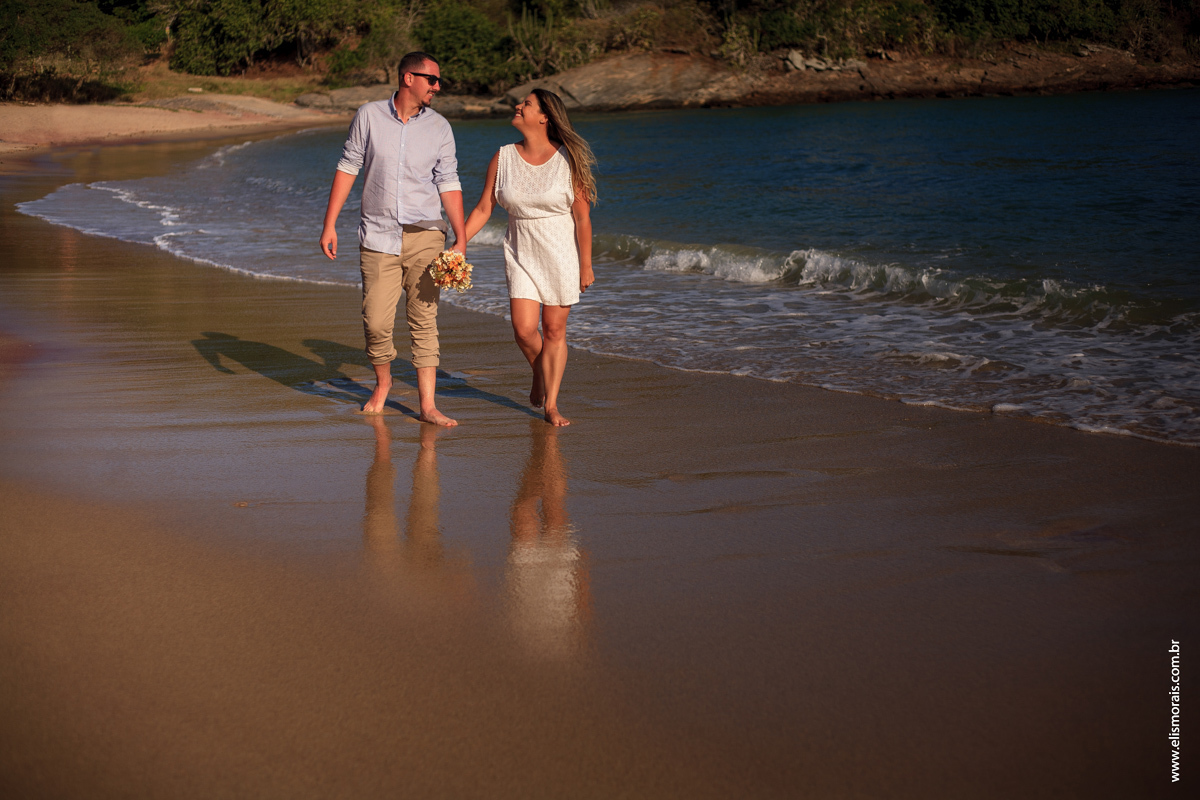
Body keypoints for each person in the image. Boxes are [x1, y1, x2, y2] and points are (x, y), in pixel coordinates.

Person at [319, 52, 464, 426]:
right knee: (376, 321)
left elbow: (448, 182)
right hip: (378, 235)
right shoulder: (368, 116)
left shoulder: (440, 128)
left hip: (427, 234)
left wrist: (460, 238)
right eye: (431, 79)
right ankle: (383, 383)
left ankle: (427, 405)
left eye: (438, 80)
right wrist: (329, 223)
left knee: (424, 319)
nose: (437, 86)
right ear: (407, 78)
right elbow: (349, 165)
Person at [463, 89, 596, 426]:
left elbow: (582, 218)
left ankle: (551, 405)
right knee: (523, 330)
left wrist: (586, 264)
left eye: (527, 104)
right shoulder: (503, 156)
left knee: (553, 330)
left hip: (560, 251)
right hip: (520, 249)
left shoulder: (568, 159)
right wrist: (459, 243)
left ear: (544, 117)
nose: (518, 106)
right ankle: (541, 372)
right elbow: (483, 208)